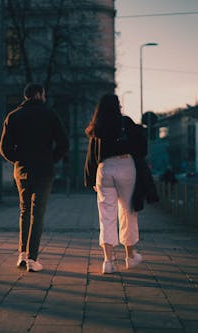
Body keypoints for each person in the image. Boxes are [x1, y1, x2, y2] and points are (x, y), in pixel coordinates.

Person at [0, 83, 69, 272]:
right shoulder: (50, 114)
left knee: (24, 211)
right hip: (44, 170)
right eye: (44, 94)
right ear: (39, 95)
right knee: (37, 214)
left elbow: (4, 148)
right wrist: (50, 159)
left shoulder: (13, 116)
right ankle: (32, 259)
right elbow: (64, 143)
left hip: (22, 170)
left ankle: (22, 254)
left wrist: (18, 159)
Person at [84, 93, 144, 274]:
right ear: (118, 105)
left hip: (104, 168)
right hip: (126, 166)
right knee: (128, 212)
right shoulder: (126, 122)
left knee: (106, 215)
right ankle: (130, 257)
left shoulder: (97, 127)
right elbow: (141, 146)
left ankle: (108, 262)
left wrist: (90, 177)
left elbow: (91, 154)